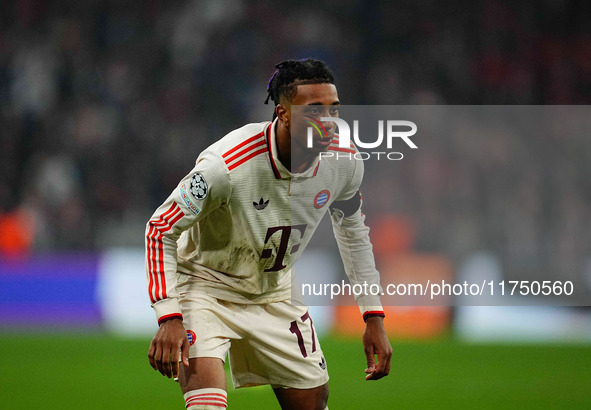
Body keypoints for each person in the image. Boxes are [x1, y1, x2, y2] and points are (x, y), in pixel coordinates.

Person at [146, 58, 392, 410]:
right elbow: (160, 227)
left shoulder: (346, 162)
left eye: (333, 110)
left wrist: (373, 316)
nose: (328, 123)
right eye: (315, 110)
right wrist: (169, 316)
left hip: (274, 291)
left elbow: (353, 233)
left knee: (312, 403)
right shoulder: (226, 165)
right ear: (284, 113)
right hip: (204, 287)